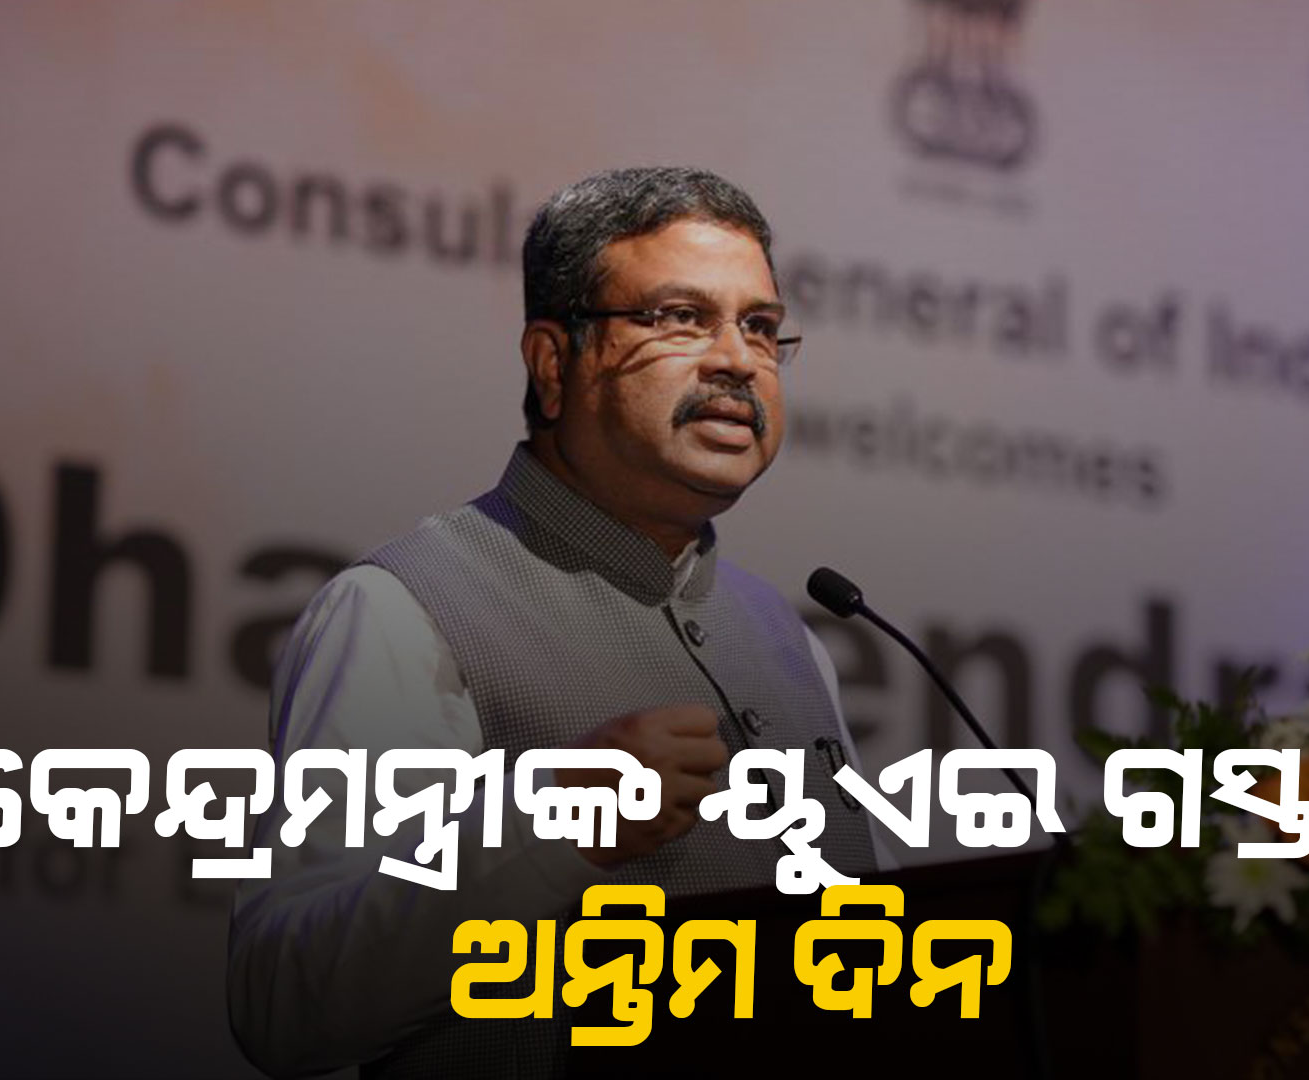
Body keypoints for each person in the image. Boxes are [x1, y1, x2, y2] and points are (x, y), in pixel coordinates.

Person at [228, 166, 883, 1078]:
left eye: (761, 327)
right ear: (552, 363)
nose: (738, 360)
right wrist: (549, 830)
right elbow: (284, 1002)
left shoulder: (793, 640)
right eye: (680, 317)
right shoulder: (404, 608)